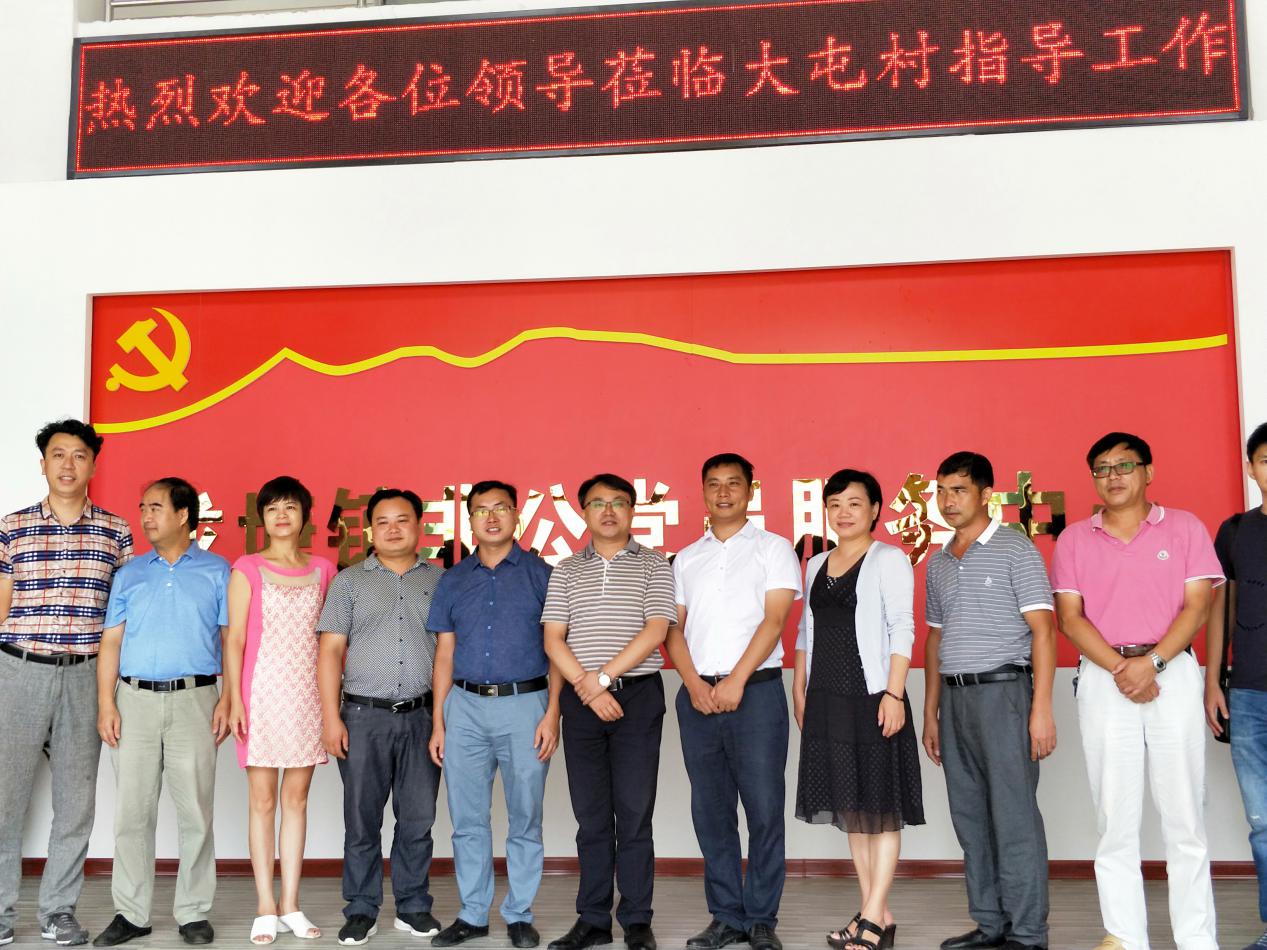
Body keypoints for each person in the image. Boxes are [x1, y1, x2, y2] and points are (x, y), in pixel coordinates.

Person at [1053, 433, 1223, 950]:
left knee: (1185, 814)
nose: (1114, 476)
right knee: (1114, 815)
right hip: (1105, 679)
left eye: (1124, 465)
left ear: (1148, 471)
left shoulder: (1186, 527)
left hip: (1172, 672)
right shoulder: (1074, 539)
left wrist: (1151, 664)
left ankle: (1197, 939)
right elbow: (1069, 618)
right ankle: (1125, 936)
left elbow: (1198, 606)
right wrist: (1123, 669)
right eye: (1102, 468)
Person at [0, 420, 133, 948]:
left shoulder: (116, 531)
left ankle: (58, 912)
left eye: (79, 455)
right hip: (20, 669)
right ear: (43, 464)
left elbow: (120, 616)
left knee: (76, 803)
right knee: (4, 799)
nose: (68, 464)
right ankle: (1, 913)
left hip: (85, 675)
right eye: (58, 455)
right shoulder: (12, 526)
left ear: (93, 464)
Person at [921, 452, 1056, 950]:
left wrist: (1041, 709)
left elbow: (1044, 631)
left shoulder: (1015, 548)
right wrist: (931, 712)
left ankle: (1028, 933)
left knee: (1014, 817)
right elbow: (936, 639)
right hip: (955, 700)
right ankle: (990, 923)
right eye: (941, 491)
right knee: (970, 817)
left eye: (958, 490)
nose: (947, 501)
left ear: (985, 495)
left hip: (1005, 695)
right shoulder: (939, 561)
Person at [667, 453, 801, 950]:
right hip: (698, 696)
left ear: (751, 490)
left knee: (764, 809)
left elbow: (775, 620)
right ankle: (726, 916)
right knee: (712, 812)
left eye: (733, 484)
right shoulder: (685, 558)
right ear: (703, 491)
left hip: (757, 693)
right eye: (714, 484)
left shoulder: (774, 549)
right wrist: (694, 684)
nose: (723, 492)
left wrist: (736, 681)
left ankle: (762, 917)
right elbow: (671, 627)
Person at [92, 478, 231, 948]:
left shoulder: (217, 571)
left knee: (196, 812)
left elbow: (230, 640)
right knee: (132, 813)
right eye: (143, 507)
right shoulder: (130, 573)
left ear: (183, 515)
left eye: (155, 507)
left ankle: (193, 913)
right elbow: (111, 642)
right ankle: (131, 914)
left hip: (197, 698)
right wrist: (106, 702)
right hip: (134, 701)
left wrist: (229, 698)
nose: (146, 516)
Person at [542, 474, 676, 950]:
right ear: (583, 512)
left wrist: (600, 679)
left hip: (637, 697)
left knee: (635, 814)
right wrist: (589, 687)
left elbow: (656, 630)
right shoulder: (565, 570)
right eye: (598, 503)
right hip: (581, 703)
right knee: (592, 816)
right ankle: (593, 920)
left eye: (618, 502)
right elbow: (553, 638)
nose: (608, 510)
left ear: (632, 511)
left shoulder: (654, 564)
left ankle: (637, 920)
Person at [793, 469, 923, 950]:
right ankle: (876, 911)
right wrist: (799, 687)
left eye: (854, 503)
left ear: (874, 510)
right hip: (827, 697)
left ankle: (870, 916)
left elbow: (903, 627)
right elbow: (806, 630)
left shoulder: (888, 559)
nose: (843, 513)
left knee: (881, 808)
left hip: (873, 697)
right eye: (835, 504)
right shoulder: (816, 563)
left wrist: (894, 694)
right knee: (851, 807)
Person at [426, 480, 559, 950]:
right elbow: (444, 653)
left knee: (526, 816)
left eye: (501, 508)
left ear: (516, 515)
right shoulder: (453, 579)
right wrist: (439, 721)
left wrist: (553, 714)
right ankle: (472, 913)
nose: (492, 517)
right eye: (481, 510)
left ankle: (520, 914)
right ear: (470, 521)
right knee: (467, 819)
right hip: (463, 707)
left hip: (526, 705)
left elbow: (557, 650)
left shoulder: (543, 575)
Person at [316, 488, 444, 947]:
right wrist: (331, 718)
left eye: (402, 520)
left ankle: (413, 906)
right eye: (383, 521)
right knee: (361, 820)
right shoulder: (349, 582)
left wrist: (442, 720)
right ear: (371, 529)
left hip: (422, 716)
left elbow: (449, 653)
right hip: (362, 716)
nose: (393, 529)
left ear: (419, 526)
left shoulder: (441, 581)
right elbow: (330, 651)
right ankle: (361, 909)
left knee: (418, 819)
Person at [224, 476, 337, 945]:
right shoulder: (247, 568)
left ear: (305, 516)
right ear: (262, 518)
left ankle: (290, 902)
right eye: (272, 508)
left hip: (308, 697)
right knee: (263, 802)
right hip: (261, 696)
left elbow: (332, 642)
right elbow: (234, 639)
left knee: (297, 801)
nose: (282, 515)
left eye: (290, 507)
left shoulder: (324, 569)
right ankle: (264, 906)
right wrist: (234, 698)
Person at [1208, 421, 1267, 950]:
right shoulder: (1234, 532)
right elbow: (1220, 610)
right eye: (1266, 460)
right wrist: (1213, 681)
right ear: (1251, 469)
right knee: (1263, 821)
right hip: (1249, 694)